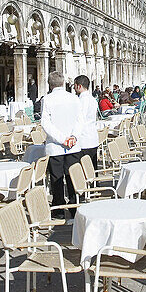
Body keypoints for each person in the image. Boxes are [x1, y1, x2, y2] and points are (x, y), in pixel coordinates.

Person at [40, 71, 84, 214]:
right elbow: (80, 120)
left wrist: (62, 139)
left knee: (56, 178)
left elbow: (45, 124)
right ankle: (74, 205)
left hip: (56, 147)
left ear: (50, 84)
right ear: (63, 83)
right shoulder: (74, 98)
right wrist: (73, 137)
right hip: (73, 145)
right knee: (72, 176)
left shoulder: (47, 99)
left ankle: (58, 208)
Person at [73, 75, 100, 169]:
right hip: (92, 137)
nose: (74, 88)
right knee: (93, 169)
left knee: (84, 170)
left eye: (74, 86)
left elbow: (80, 119)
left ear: (79, 86)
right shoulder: (93, 99)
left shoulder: (81, 100)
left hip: (84, 140)